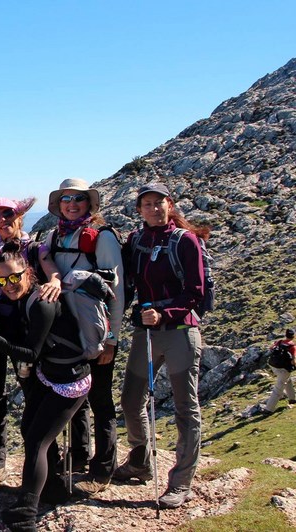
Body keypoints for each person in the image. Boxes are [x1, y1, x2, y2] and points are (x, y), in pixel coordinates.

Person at [0, 249, 91, 532]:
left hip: (69, 382)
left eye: (15, 276)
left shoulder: (42, 303)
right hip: (51, 378)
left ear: (29, 273)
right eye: (2, 281)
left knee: (38, 440)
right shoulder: (26, 300)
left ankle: (27, 511)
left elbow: (30, 352)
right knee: (29, 429)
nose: (9, 284)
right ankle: (53, 489)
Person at [116, 182, 207, 510]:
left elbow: (195, 291)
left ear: (170, 205)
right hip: (147, 332)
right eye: (147, 204)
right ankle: (141, 460)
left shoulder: (186, 241)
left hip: (180, 331)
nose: (154, 209)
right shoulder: (136, 240)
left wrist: (164, 313)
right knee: (130, 400)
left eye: (159, 203)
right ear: (139, 210)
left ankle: (181, 482)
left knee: (186, 407)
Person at [0, 197, 62, 483]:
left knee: (36, 393)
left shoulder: (35, 248)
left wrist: (55, 281)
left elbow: (50, 269)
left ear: (19, 215)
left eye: (7, 214)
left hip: (26, 330)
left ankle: (49, 463)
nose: (2, 220)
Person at [43, 178, 124, 495]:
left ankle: (102, 470)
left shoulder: (102, 238)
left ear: (89, 203)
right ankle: (78, 459)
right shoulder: (55, 236)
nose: (72, 203)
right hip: (66, 334)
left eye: (78, 198)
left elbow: (117, 290)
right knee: (73, 397)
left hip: (97, 332)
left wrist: (112, 339)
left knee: (101, 400)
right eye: (66, 199)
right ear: (59, 205)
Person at [262, 328, 296, 413]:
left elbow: (271, 348)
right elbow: (293, 360)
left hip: (274, 367)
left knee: (287, 381)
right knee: (278, 389)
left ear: (286, 335)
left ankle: (292, 399)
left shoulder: (279, 342)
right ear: (293, 336)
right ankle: (269, 409)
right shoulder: (292, 346)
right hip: (284, 370)